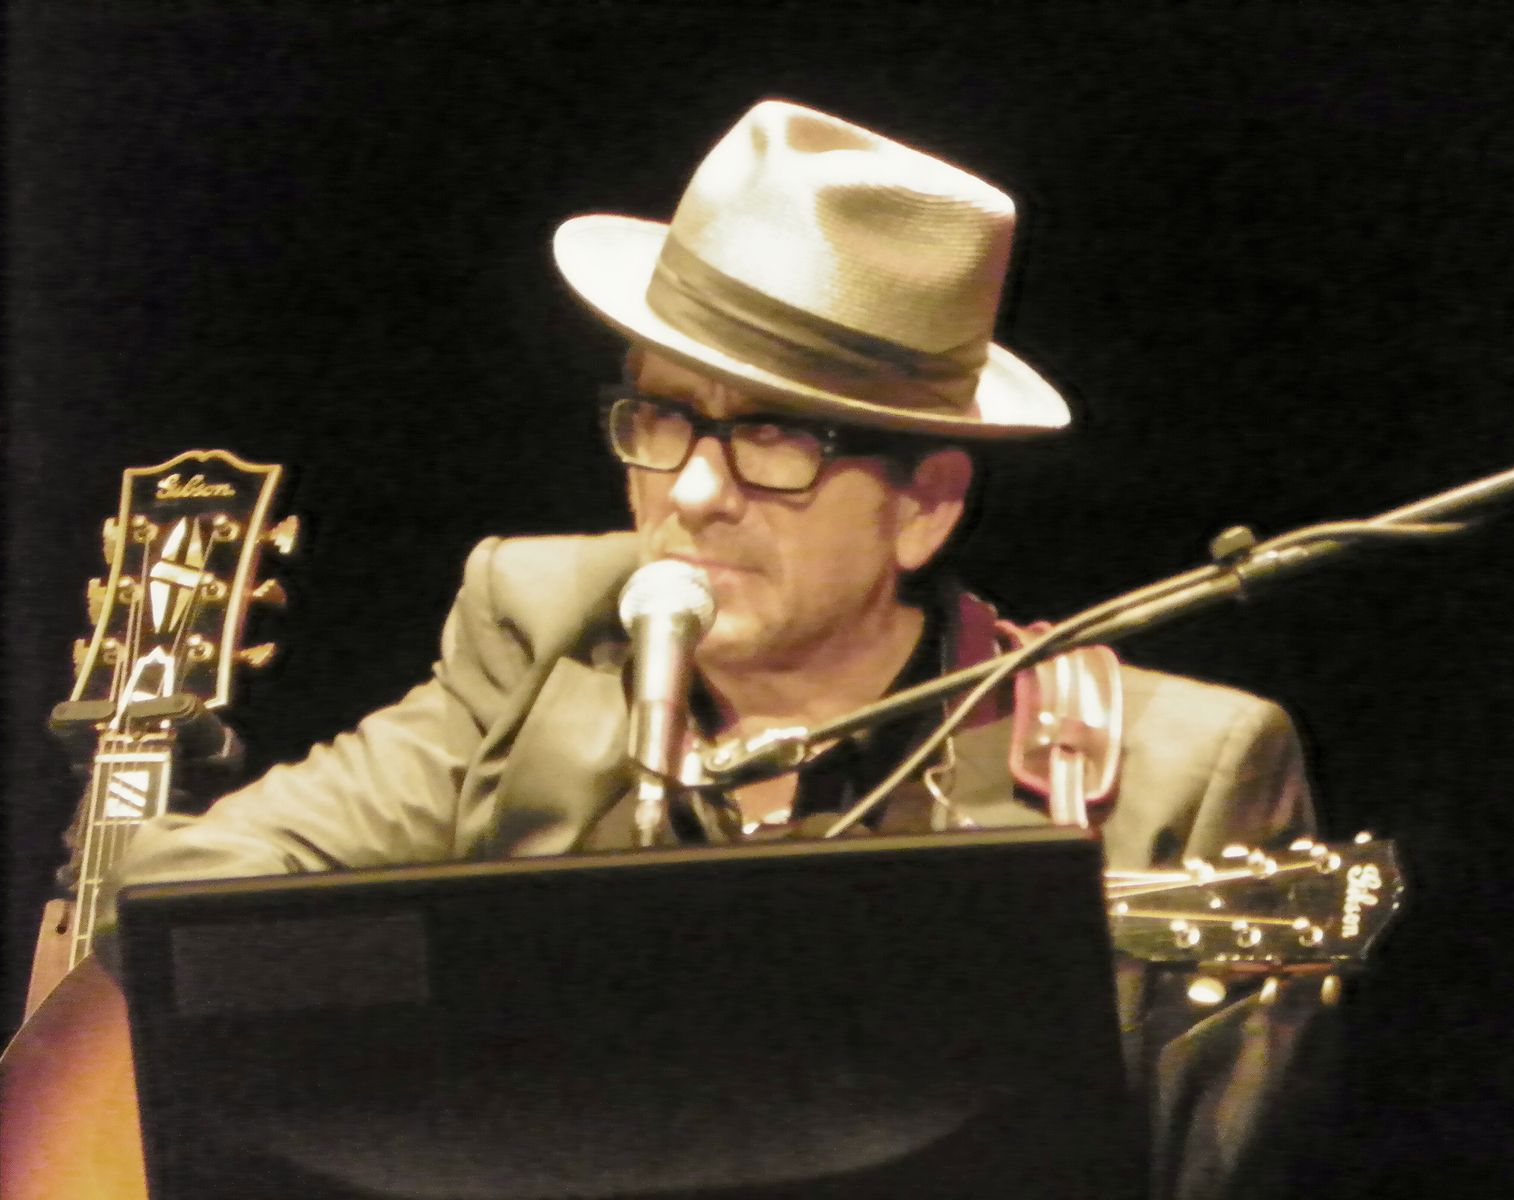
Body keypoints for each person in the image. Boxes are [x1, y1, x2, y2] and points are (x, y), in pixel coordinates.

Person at [97, 99, 1327, 1198]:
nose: (689, 493)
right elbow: (179, 895)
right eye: (661, 417)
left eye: (774, 440)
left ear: (924, 505)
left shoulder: (1171, 772)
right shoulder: (549, 640)